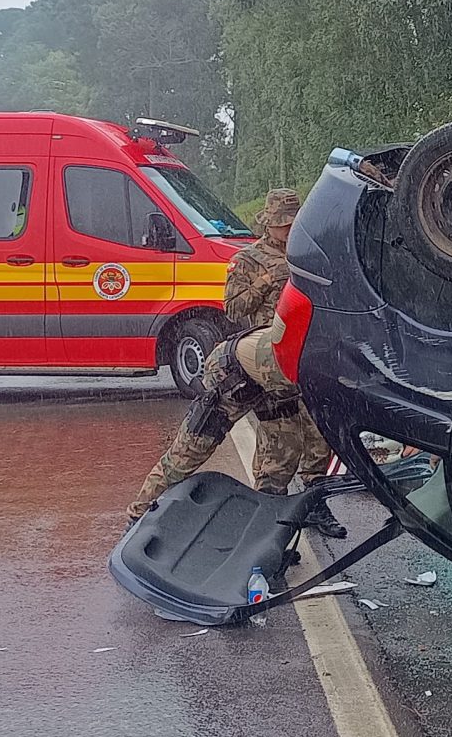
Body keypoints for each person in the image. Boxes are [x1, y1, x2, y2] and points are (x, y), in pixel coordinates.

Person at [126, 188, 333, 523]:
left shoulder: (307, 255)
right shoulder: (250, 259)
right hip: (249, 362)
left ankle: (275, 523)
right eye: (283, 225)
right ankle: (139, 514)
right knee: (191, 447)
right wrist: (267, 280)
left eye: (294, 223)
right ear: (269, 224)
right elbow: (233, 308)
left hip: (290, 363)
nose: (289, 230)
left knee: (289, 452)